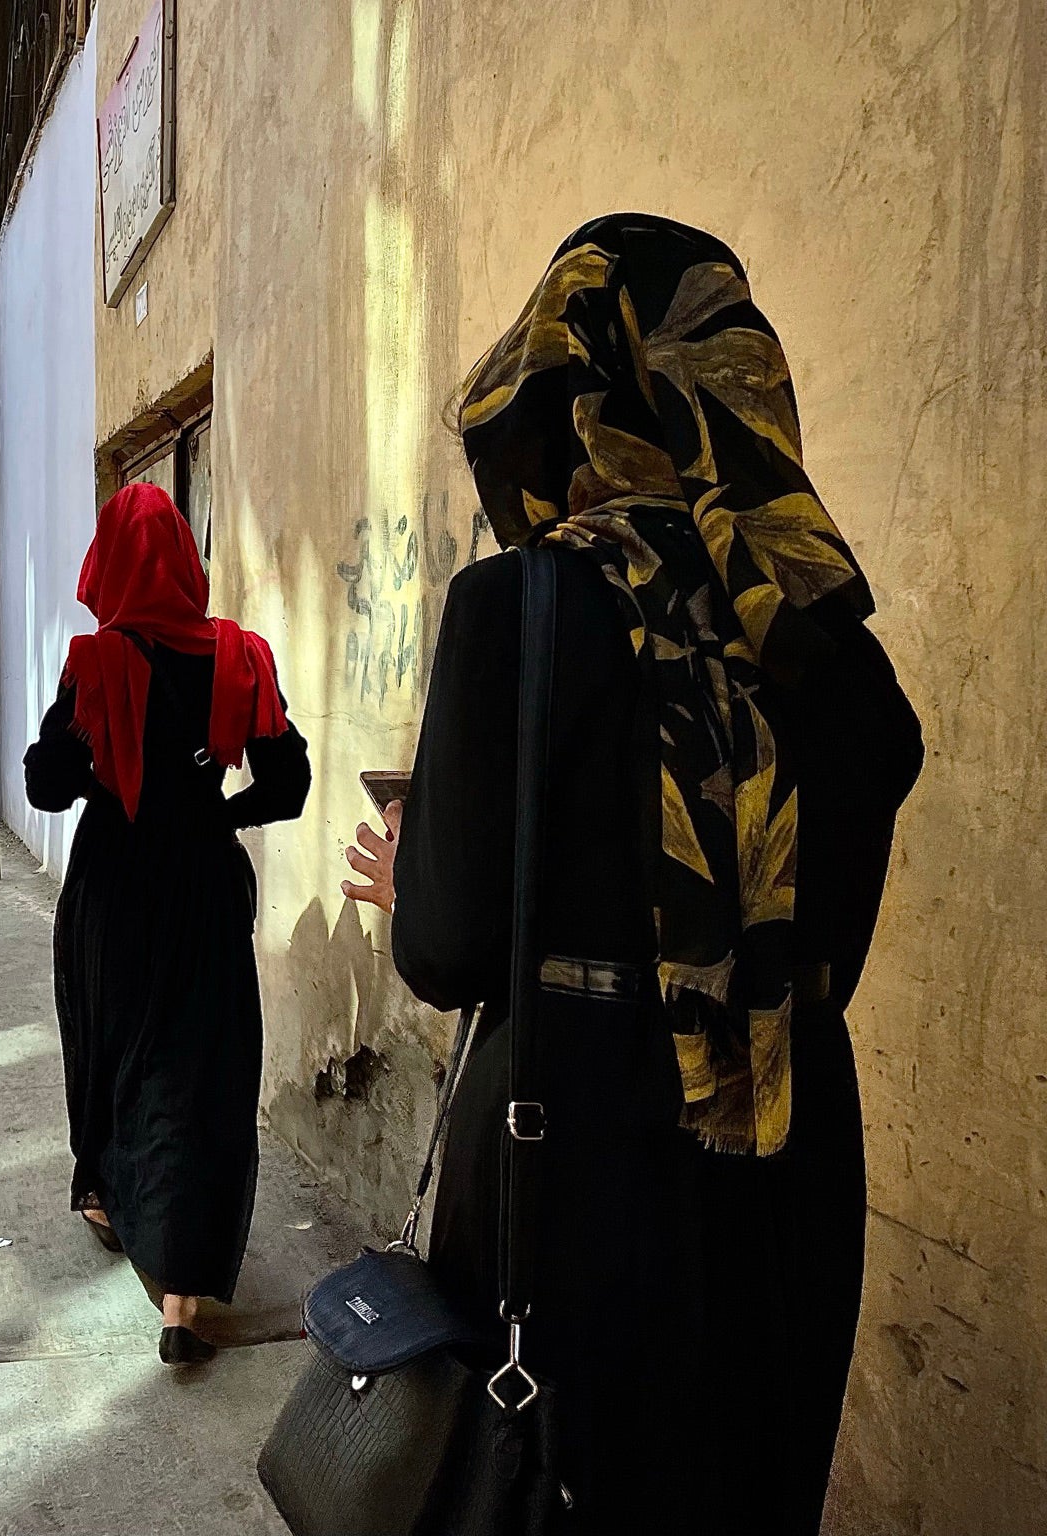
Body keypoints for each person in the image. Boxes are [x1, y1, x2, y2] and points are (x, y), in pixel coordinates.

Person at [342, 214, 922, 1534]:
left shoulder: (523, 611)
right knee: (748, 1487)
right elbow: (829, 932)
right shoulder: (834, 653)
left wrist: (411, 878)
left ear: (574, 404)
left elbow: (442, 948)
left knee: (557, 1493)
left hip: (575, 1141)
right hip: (788, 1144)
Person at [24, 482, 311, 1366]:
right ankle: (183, 1296)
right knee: (197, 1067)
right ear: (189, 564)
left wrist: (94, 758)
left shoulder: (96, 662)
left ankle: (108, 1198)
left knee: (112, 1049)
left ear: (109, 565)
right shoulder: (242, 658)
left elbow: (44, 783)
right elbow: (288, 784)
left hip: (116, 887)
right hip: (204, 888)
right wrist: (217, 815)